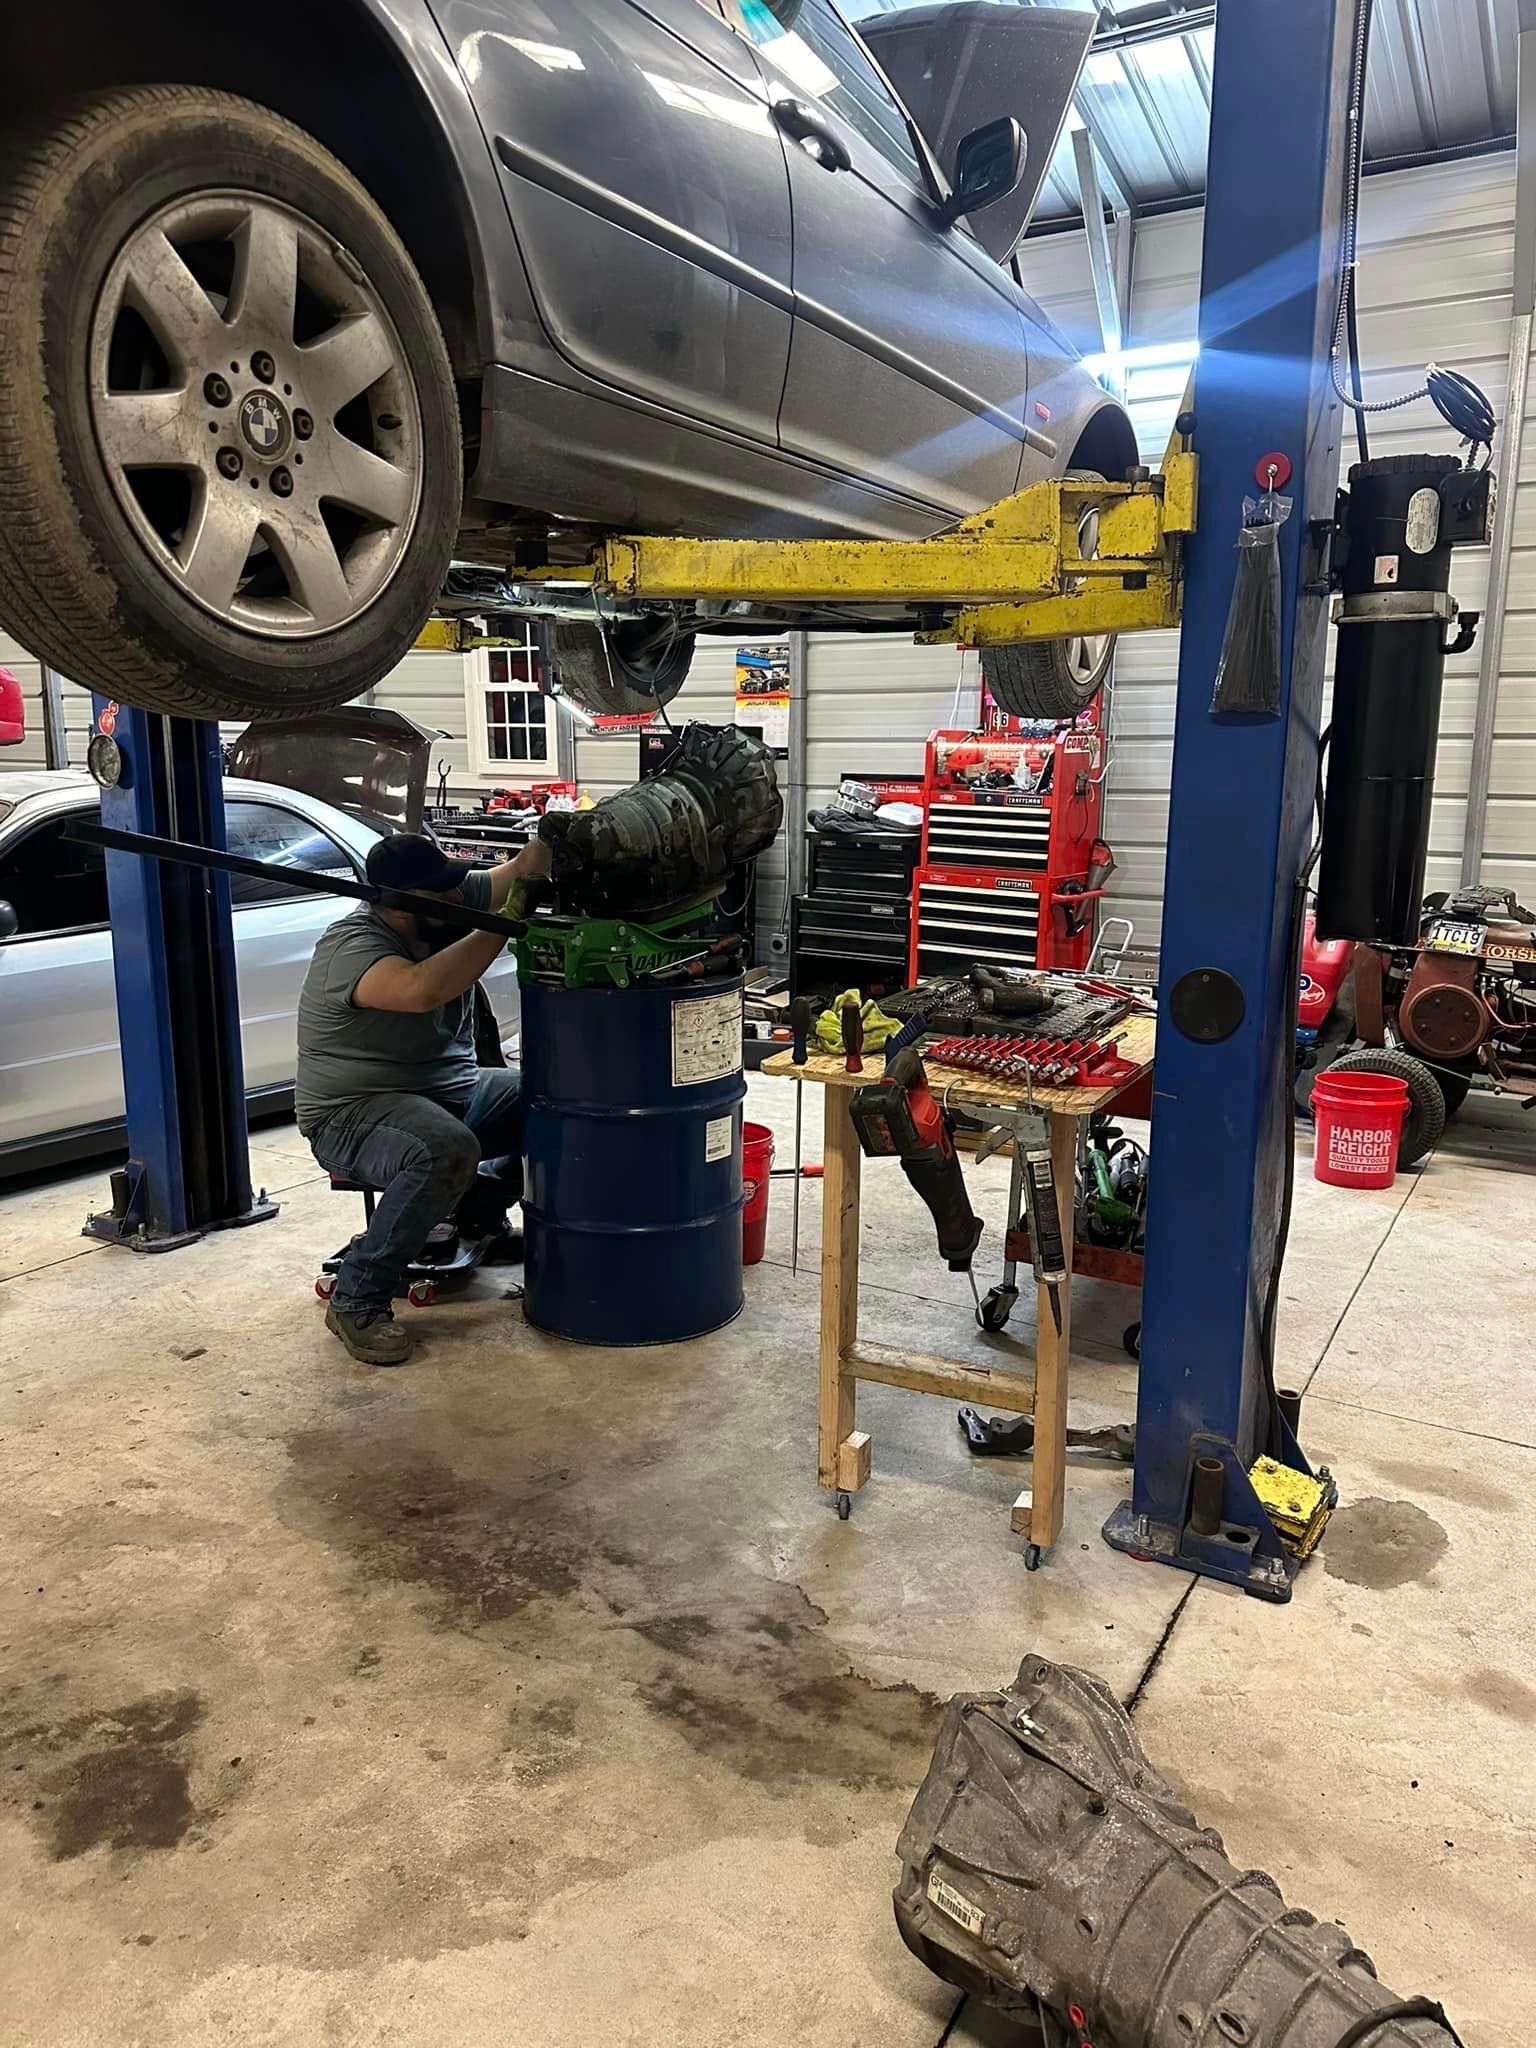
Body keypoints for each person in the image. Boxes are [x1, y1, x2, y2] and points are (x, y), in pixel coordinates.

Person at [296, 830, 550, 1365]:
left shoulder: (441, 906)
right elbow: (420, 989)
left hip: (447, 1093)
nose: (459, 898)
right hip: (354, 1113)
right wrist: (501, 926)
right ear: (401, 906)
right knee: (443, 1149)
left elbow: (515, 874)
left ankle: (479, 1218)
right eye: (444, 894)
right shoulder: (353, 946)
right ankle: (358, 1299)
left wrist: (551, 839)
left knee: (551, 1097)